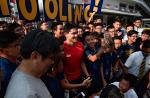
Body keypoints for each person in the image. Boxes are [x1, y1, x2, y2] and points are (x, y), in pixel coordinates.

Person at [5, 30, 60, 98]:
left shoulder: (31, 75)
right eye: (51, 58)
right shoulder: (25, 93)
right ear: (35, 56)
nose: (52, 62)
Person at [63, 23, 91, 97]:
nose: (76, 35)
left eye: (77, 33)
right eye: (73, 33)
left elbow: (81, 62)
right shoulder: (62, 48)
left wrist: (88, 76)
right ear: (66, 34)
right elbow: (60, 69)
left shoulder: (80, 45)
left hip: (79, 79)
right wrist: (69, 85)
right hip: (68, 82)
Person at [0, 31, 21, 97]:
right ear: (2, 50)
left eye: (19, 44)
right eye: (16, 45)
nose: (19, 47)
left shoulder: (13, 62)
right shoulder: (4, 70)